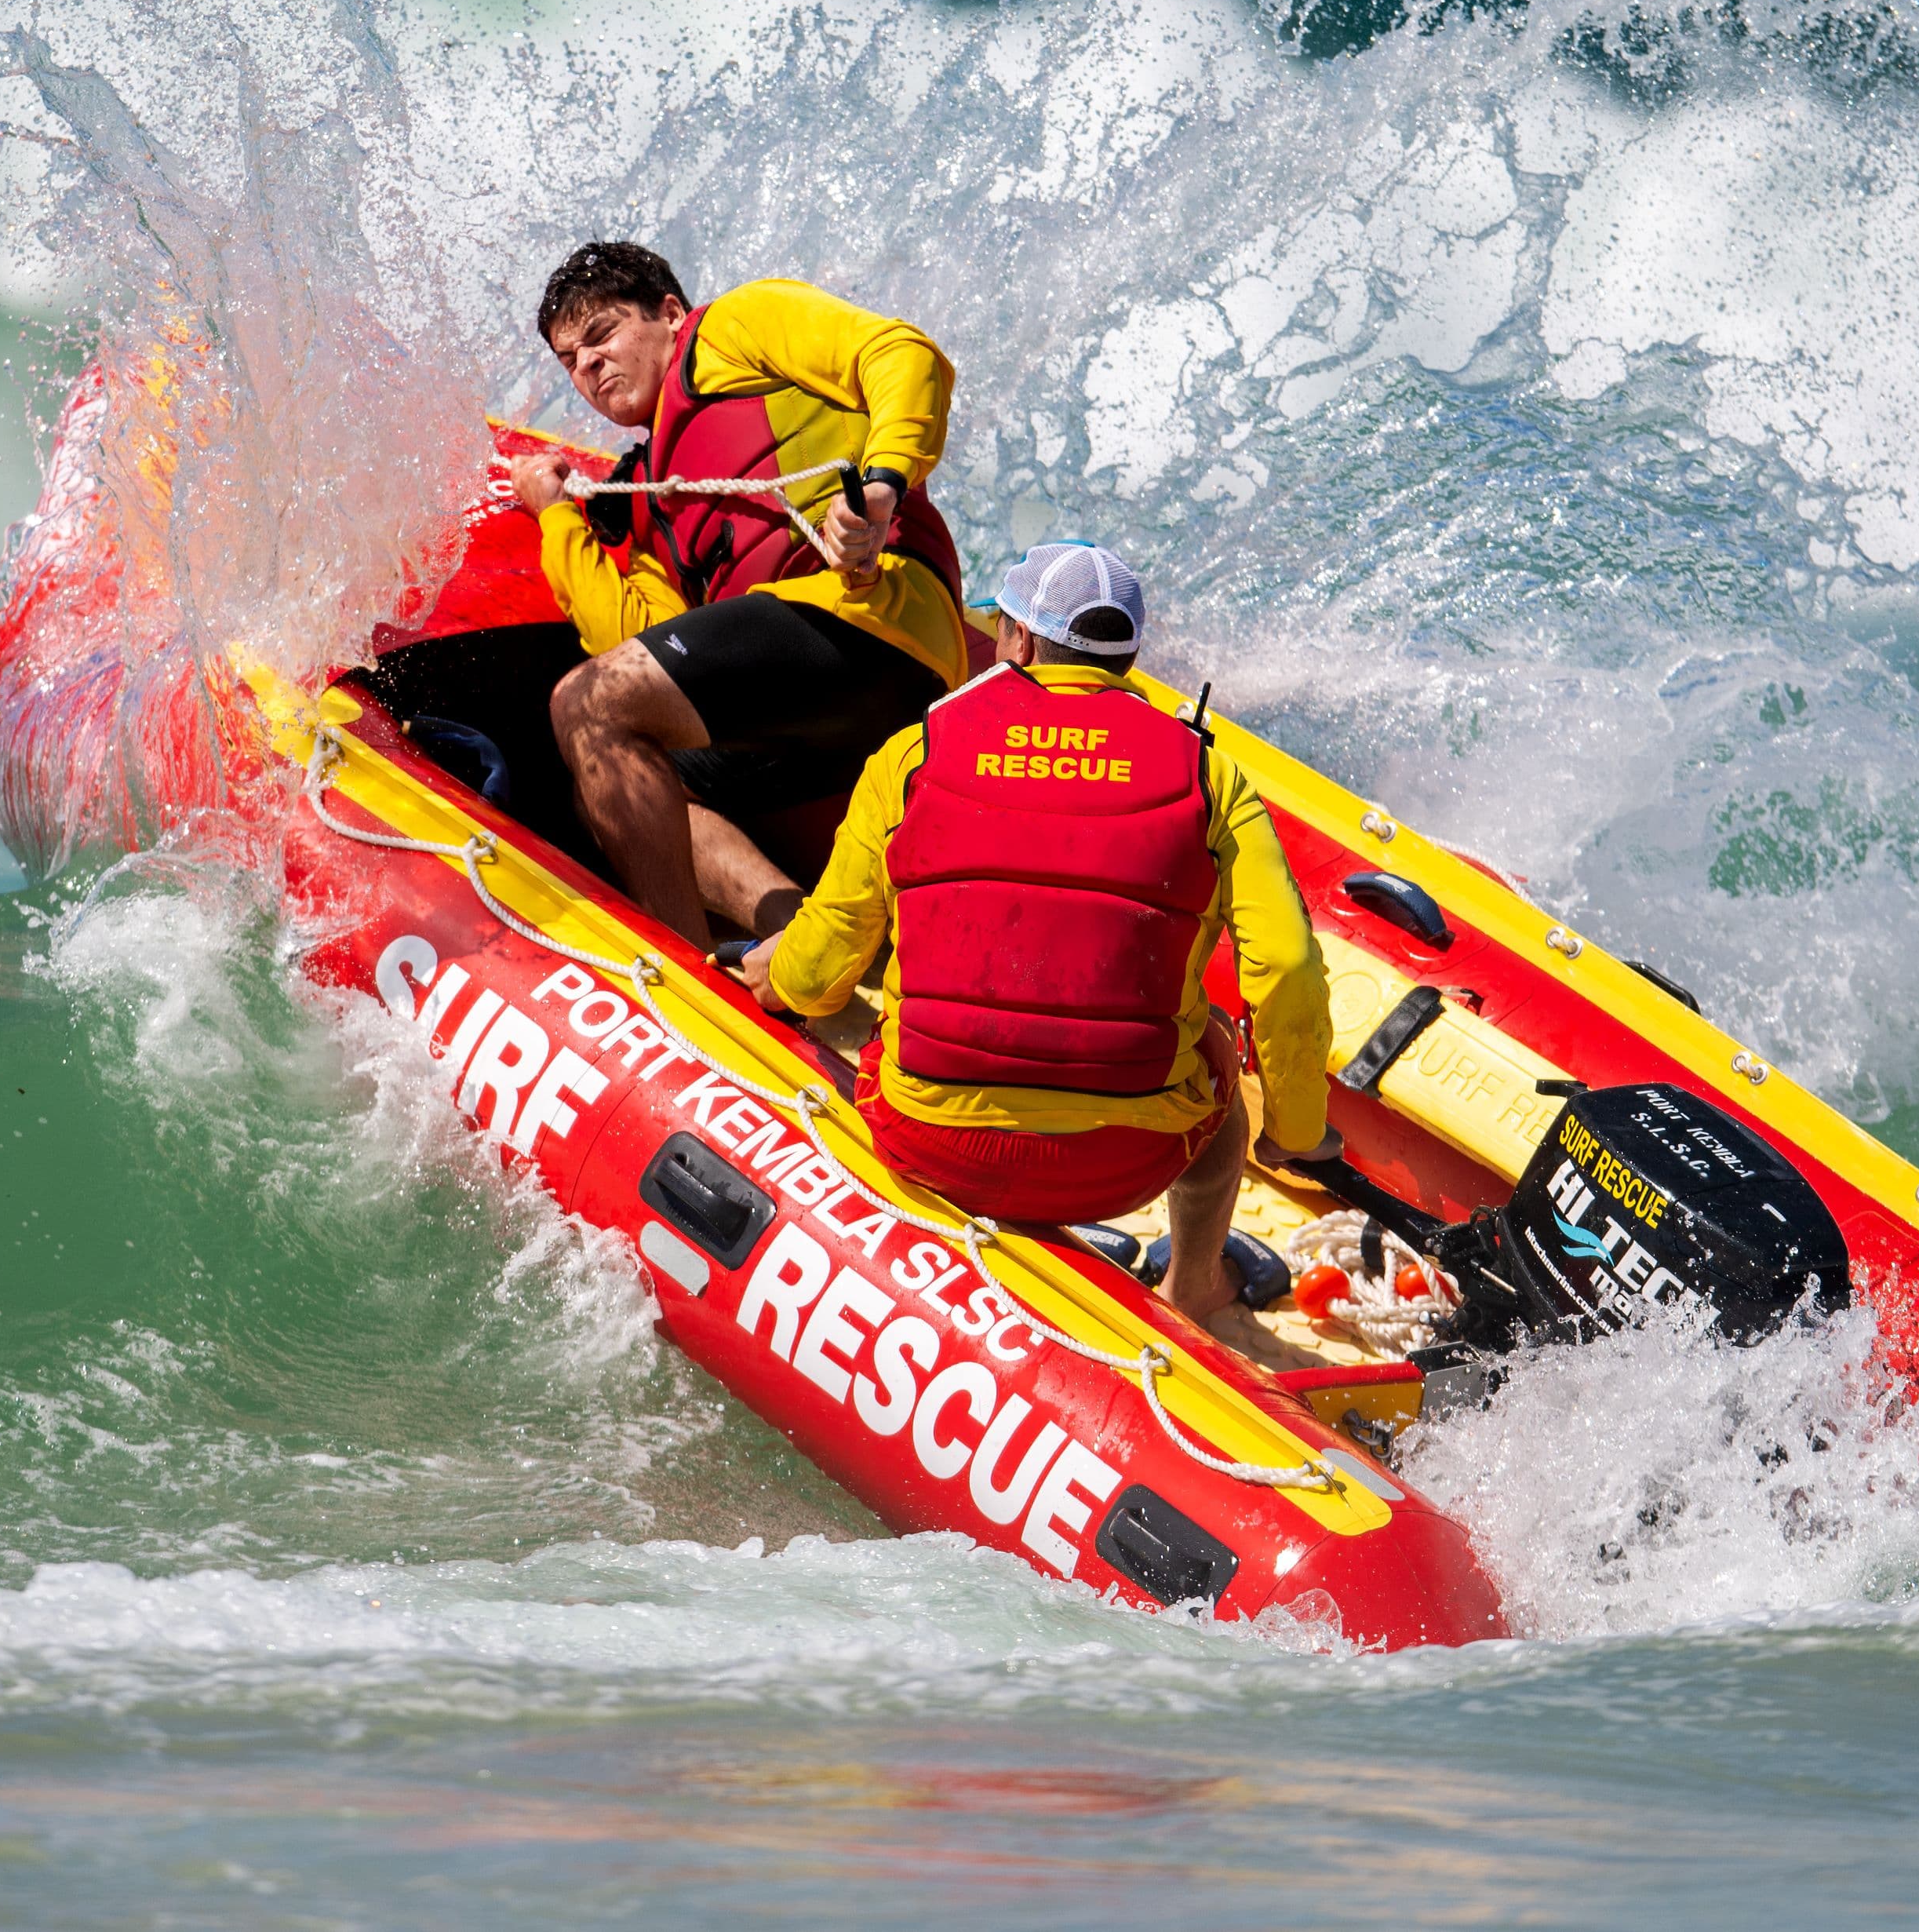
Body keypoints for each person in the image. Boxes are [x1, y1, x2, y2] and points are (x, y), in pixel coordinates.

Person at [736, 541, 1341, 1361]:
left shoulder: (913, 754)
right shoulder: (1210, 774)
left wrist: (777, 978)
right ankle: (1195, 1286)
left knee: (887, 1013)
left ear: (1017, 642)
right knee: (1221, 1085)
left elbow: (817, 972)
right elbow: (1290, 970)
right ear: (1127, 657)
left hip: (932, 1142)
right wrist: (1295, 1135)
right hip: (1124, 1167)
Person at [504, 243, 969, 941]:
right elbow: (625, 643)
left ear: (668, 313)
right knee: (617, 777)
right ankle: (796, 932)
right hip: (810, 708)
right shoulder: (655, 491)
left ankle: (679, 972)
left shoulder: (733, 329)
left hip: (879, 627)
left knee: (587, 702)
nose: (588, 367)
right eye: (570, 360)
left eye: (600, 335)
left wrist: (883, 483)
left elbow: (902, 354)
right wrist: (557, 518)